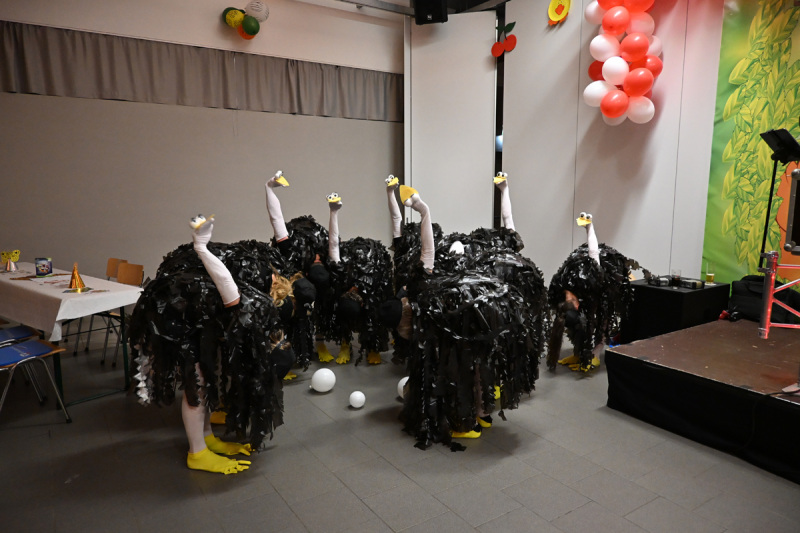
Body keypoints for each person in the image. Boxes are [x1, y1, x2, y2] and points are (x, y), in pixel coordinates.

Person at [129, 215, 294, 474]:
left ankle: (206, 438)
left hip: (193, 312)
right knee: (197, 382)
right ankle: (197, 453)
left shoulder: (257, 305)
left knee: (205, 377)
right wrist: (201, 245)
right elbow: (226, 284)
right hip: (175, 314)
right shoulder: (251, 308)